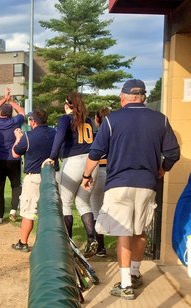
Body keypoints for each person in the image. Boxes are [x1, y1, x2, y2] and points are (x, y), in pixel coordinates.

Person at [81, 79, 180, 300]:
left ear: (123, 98)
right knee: (140, 229)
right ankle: (135, 273)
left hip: (118, 183)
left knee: (123, 232)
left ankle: (126, 284)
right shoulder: (160, 120)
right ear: (143, 97)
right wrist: (163, 170)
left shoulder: (111, 120)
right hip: (147, 183)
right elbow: (173, 154)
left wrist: (86, 176)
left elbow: (95, 153)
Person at [46, 92, 98, 258]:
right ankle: (91, 238)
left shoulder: (65, 119)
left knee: (66, 203)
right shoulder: (88, 120)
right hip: (90, 163)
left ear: (67, 104)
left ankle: (68, 244)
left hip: (73, 162)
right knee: (83, 202)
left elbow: (59, 138)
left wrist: (52, 157)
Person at [11, 109, 55, 252]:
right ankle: (51, 243)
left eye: (31, 120)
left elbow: (15, 153)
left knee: (29, 211)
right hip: (52, 176)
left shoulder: (29, 136)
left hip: (34, 176)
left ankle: (23, 242)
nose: (29, 122)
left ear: (34, 122)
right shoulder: (54, 133)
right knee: (49, 211)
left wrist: (18, 137)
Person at [0, 88, 25, 223]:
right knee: (16, 186)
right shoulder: (15, 122)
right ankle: (14, 210)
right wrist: (11, 101)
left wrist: (4, 99)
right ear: (10, 114)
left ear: (1, 113)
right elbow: (21, 112)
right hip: (13, 159)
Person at [89, 106, 111, 257]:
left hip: (99, 172)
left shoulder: (96, 135)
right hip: (115, 174)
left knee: (95, 210)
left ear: (97, 120)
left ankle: (100, 246)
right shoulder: (117, 134)